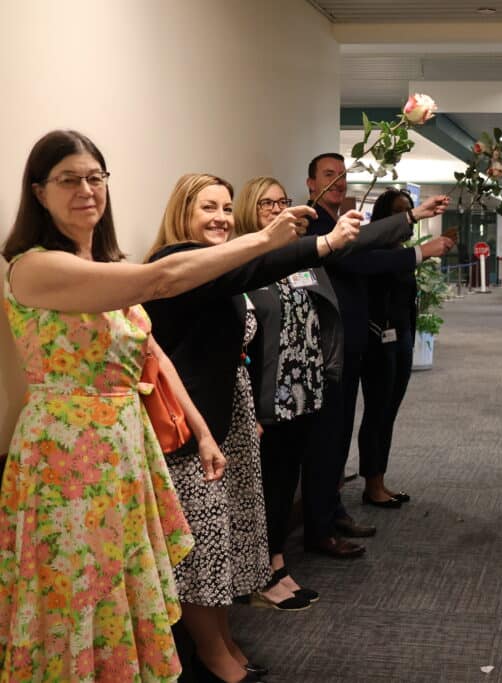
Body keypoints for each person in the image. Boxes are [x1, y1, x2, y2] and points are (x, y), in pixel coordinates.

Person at [0, 130, 313, 681]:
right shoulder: (34, 267)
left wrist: (204, 432)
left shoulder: (103, 260)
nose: (86, 190)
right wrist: (264, 239)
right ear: (38, 192)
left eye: (95, 178)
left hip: (124, 445)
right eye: (68, 179)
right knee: (78, 590)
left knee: (122, 584)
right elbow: (163, 280)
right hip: (67, 457)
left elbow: (154, 356)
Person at [144, 173, 359, 683]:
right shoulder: (175, 263)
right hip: (189, 426)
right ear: (182, 213)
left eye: (224, 207)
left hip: (228, 415)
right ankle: (210, 656)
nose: (220, 218)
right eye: (207, 209)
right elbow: (250, 268)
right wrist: (323, 243)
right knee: (201, 549)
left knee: (224, 540)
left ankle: (221, 641)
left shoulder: (215, 261)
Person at [301, 152, 451, 553]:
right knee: (327, 439)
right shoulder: (312, 224)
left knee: (339, 435)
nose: (337, 182)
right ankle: (320, 529)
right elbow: (361, 258)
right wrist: (418, 234)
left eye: (342, 175)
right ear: (311, 183)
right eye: (328, 175)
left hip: (350, 346)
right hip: (329, 349)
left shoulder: (340, 222)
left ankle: (332, 514)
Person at [234, 176, 340, 609]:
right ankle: (265, 571)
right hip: (266, 398)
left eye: (283, 202)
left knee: (285, 480)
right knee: (267, 488)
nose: (278, 210)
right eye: (266, 204)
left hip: (303, 390)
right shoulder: (246, 260)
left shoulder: (298, 258)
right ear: (249, 211)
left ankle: (276, 560)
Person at [358, 189, 453, 506]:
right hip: (379, 344)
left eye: (409, 210)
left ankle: (379, 481)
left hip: (402, 340)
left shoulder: (400, 249)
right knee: (378, 412)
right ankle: (372, 484)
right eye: (400, 211)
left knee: (389, 413)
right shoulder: (372, 250)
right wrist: (423, 252)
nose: (407, 217)